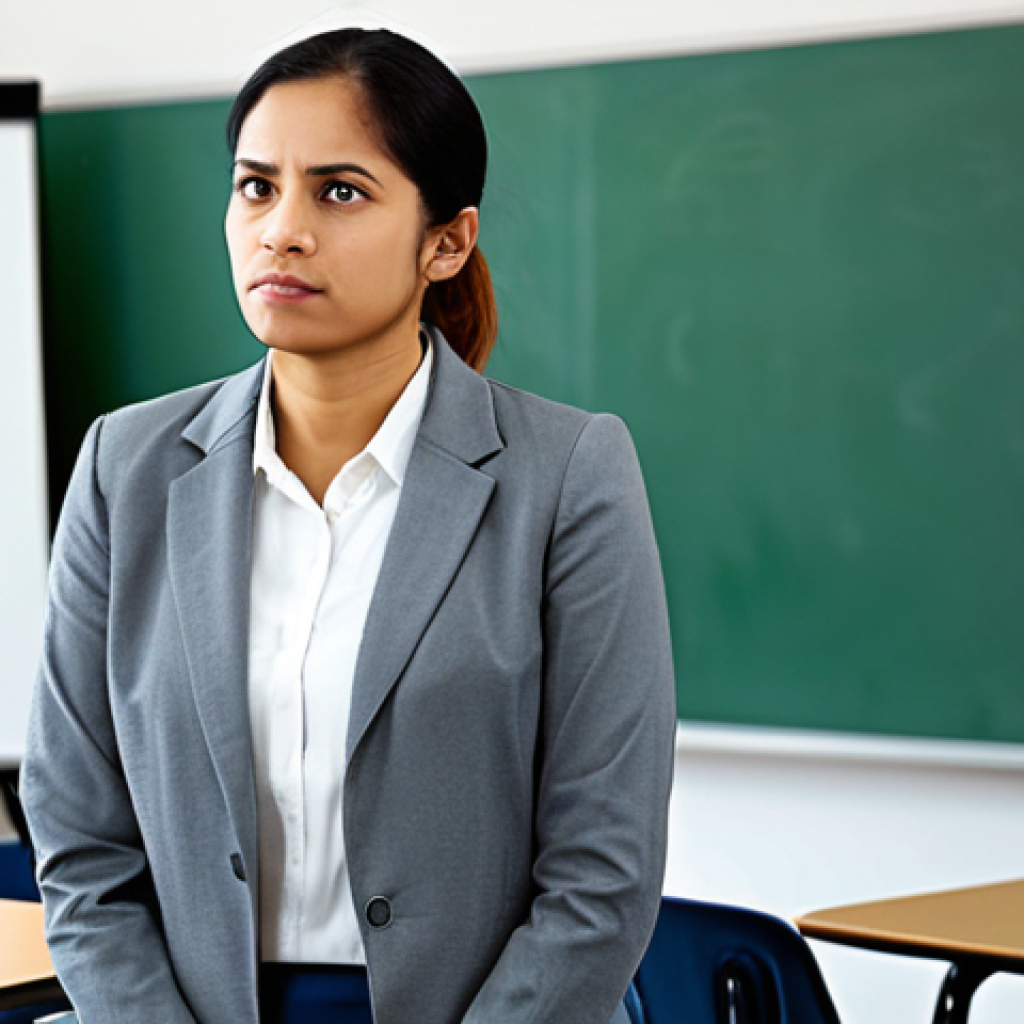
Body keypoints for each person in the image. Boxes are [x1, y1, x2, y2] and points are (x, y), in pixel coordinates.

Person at [21, 26, 677, 1024]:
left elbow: (602, 872)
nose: (281, 229)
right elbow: (79, 843)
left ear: (445, 241)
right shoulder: (127, 465)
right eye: (255, 187)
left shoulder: (567, 474)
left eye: (339, 191)